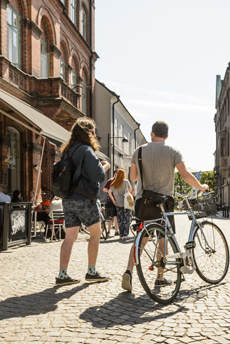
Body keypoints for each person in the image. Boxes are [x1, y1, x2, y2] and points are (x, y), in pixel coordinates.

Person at [121, 121, 208, 292]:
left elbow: (133, 177)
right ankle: (160, 278)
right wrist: (201, 187)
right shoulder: (173, 151)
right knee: (163, 238)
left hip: (143, 201)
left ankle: (129, 271)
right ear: (166, 136)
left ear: (151, 133)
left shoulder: (138, 151)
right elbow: (185, 175)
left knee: (142, 237)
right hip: (165, 201)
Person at [56, 117, 110, 286]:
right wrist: (105, 166)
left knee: (70, 236)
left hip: (68, 199)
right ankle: (91, 272)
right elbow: (99, 176)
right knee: (96, 233)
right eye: (93, 132)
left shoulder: (68, 151)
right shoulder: (86, 150)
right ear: (88, 133)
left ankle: (62, 274)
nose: (95, 136)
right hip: (84, 199)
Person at [109, 169, 133, 240]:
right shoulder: (126, 181)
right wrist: (127, 194)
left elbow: (109, 191)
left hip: (118, 204)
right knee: (126, 219)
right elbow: (130, 189)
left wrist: (113, 200)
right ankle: (125, 235)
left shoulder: (114, 183)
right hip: (126, 203)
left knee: (120, 219)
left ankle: (121, 234)